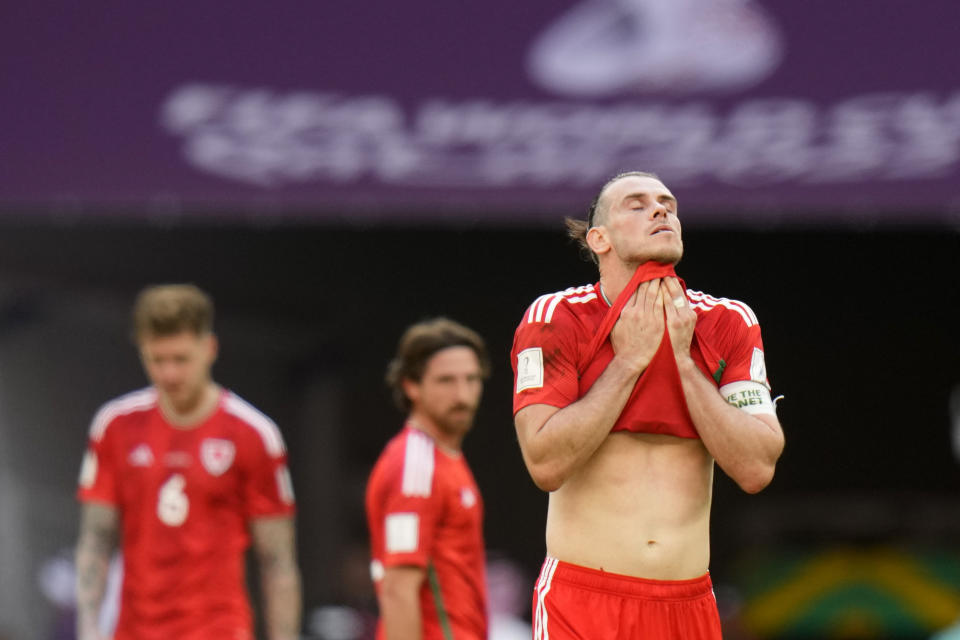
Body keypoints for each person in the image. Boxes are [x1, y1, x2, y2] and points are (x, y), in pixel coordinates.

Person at [511, 171, 785, 639]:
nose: (660, 210)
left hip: (688, 606)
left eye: (667, 204)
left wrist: (681, 360)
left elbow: (757, 466)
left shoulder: (728, 322)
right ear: (599, 239)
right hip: (583, 603)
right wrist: (630, 362)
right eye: (635, 205)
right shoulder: (558, 317)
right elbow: (545, 463)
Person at [75, 284, 301, 640]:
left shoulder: (253, 434)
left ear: (209, 349)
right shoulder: (114, 426)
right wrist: (88, 631)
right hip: (136, 630)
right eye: (156, 360)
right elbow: (95, 539)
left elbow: (277, 562)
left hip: (217, 629)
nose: (169, 374)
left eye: (180, 359)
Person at [365, 318, 491, 640]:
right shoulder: (414, 468)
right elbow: (398, 589)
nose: (462, 394)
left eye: (472, 379)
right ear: (411, 385)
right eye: (446, 381)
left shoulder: (445, 458)